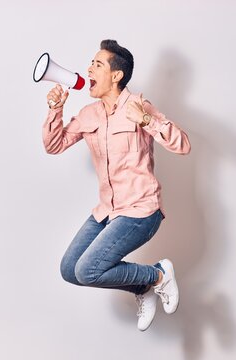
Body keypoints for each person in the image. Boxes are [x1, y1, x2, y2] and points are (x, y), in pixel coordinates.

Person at [41, 39, 191, 331]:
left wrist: (146, 120)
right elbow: (54, 145)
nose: (89, 68)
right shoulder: (89, 114)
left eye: (97, 64)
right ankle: (142, 287)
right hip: (108, 211)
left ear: (117, 75)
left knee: (88, 270)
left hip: (141, 211)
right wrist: (55, 111)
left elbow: (183, 145)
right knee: (70, 270)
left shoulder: (138, 105)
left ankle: (159, 275)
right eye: (90, 63)